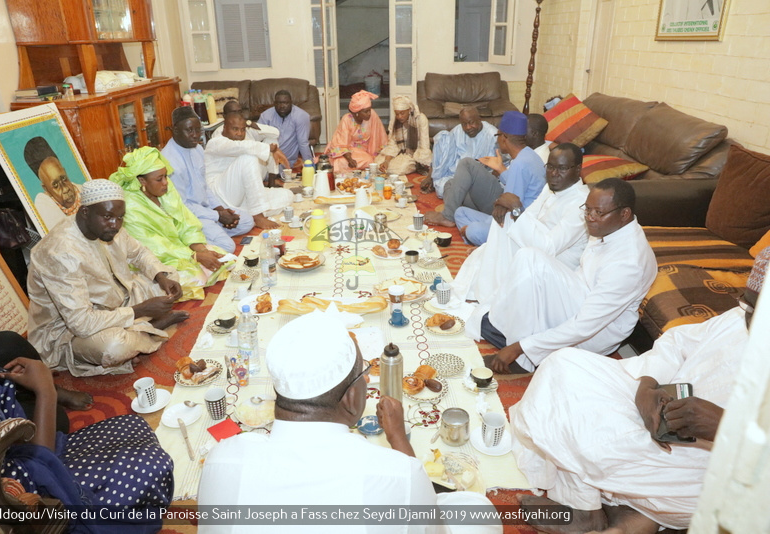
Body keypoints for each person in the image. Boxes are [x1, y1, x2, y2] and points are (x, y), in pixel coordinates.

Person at [508, 247, 769, 534]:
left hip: (715, 470)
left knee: (587, 432)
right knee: (562, 366)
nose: (751, 319)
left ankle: (609, 513)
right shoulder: (744, 317)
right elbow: (678, 342)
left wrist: (724, 427)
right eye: (748, 306)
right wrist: (647, 385)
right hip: (663, 422)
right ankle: (611, 514)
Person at [198, 311, 500, 534]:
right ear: (354, 397)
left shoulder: (221, 460)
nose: (368, 378)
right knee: (478, 511)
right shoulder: (396, 474)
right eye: (364, 374)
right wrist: (399, 440)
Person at [0, 316, 174, 533]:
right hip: (25, 486)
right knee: (150, 466)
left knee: (132, 425)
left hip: (23, 455)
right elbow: (33, 471)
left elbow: (17, 435)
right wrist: (46, 391)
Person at [485, 178, 658, 374]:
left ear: (624, 214)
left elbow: (584, 326)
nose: (590, 217)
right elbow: (583, 272)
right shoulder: (610, 227)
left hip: (595, 333)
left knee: (532, 264)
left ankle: (522, 359)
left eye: (598, 212)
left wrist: (519, 347)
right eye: (587, 209)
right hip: (581, 298)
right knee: (529, 257)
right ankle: (511, 332)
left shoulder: (629, 263)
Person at [28, 179, 189, 376]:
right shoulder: (60, 252)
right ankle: (149, 328)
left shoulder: (110, 227)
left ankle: (139, 330)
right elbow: (80, 323)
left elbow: (139, 253)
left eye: (120, 217)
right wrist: (140, 310)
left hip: (118, 301)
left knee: (171, 275)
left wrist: (161, 276)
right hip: (69, 331)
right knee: (115, 347)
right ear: (85, 212)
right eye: (108, 217)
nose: (115, 224)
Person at [453, 143, 589, 340]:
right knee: (504, 220)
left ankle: (492, 301)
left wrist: (515, 210)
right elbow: (529, 216)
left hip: (555, 267)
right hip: (535, 245)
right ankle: (487, 294)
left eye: (562, 168)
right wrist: (508, 208)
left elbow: (549, 247)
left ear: (577, 170)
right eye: (550, 167)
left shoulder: (580, 203)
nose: (554, 174)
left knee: (506, 223)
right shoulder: (551, 189)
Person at [109, 146, 228, 301]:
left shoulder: (165, 189)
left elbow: (186, 221)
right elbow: (154, 247)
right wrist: (194, 256)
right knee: (196, 278)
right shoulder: (130, 205)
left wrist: (200, 249)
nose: (166, 182)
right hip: (156, 260)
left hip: (181, 250)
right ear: (141, 180)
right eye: (159, 179)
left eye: (166, 176)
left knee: (223, 258)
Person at [424, 111, 546, 245]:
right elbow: (516, 185)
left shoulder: (520, 164)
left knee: (467, 164)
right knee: (459, 211)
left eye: (497, 136)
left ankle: (461, 226)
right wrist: (500, 169)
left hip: (518, 223)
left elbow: (512, 210)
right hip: (508, 212)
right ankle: (463, 224)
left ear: (504, 137)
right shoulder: (529, 155)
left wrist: (475, 229)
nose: (497, 141)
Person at [161, 106, 253, 252]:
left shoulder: (197, 149)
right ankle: (192, 240)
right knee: (228, 246)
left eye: (198, 130)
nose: (195, 135)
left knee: (247, 220)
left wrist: (221, 210)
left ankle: (212, 232)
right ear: (176, 130)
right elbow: (182, 207)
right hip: (188, 216)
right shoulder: (170, 162)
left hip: (206, 210)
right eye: (189, 130)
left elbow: (205, 187)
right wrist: (217, 216)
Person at [205, 112, 292, 229]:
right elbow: (240, 147)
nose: (239, 133)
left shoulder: (243, 140)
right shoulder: (215, 142)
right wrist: (271, 148)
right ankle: (257, 215)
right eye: (235, 129)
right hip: (220, 194)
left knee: (287, 195)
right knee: (248, 158)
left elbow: (270, 134)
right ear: (224, 128)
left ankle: (243, 214)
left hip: (241, 197)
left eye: (242, 130)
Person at [420, 107, 497, 198]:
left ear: (479, 120)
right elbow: (443, 152)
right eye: (464, 124)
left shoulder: (493, 135)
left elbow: (500, 167)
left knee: (471, 192)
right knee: (442, 138)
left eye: (471, 122)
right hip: (457, 174)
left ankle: (461, 194)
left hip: (479, 179)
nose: (468, 127)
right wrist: (430, 176)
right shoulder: (458, 130)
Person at [24, 136, 82, 229]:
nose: (66, 189)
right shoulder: (43, 202)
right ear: (46, 189)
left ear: (65, 172)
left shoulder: (82, 190)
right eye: (55, 185)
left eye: (64, 178)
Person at [324, 89, 387, 174]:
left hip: (365, 152)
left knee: (370, 161)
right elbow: (340, 143)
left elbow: (380, 137)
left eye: (369, 110)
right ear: (356, 113)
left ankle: (354, 169)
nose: (369, 113)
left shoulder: (373, 116)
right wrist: (349, 159)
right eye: (366, 111)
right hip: (347, 152)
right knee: (340, 162)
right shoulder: (347, 119)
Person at [375, 95, 432, 176]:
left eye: (402, 113)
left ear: (409, 110)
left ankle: (414, 165)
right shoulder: (394, 122)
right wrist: (386, 161)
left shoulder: (421, 119)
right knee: (378, 163)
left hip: (415, 153)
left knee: (400, 168)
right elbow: (392, 145)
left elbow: (424, 144)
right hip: (399, 152)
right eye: (397, 114)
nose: (399, 117)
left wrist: (419, 159)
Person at [258, 89, 312, 167]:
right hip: (266, 159)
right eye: (279, 103)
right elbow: (257, 139)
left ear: (291, 103)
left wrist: (309, 164)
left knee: (274, 173)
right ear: (274, 104)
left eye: (286, 103)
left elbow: (303, 142)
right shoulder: (265, 116)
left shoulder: (301, 116)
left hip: (286, 161)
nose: (282, 106)